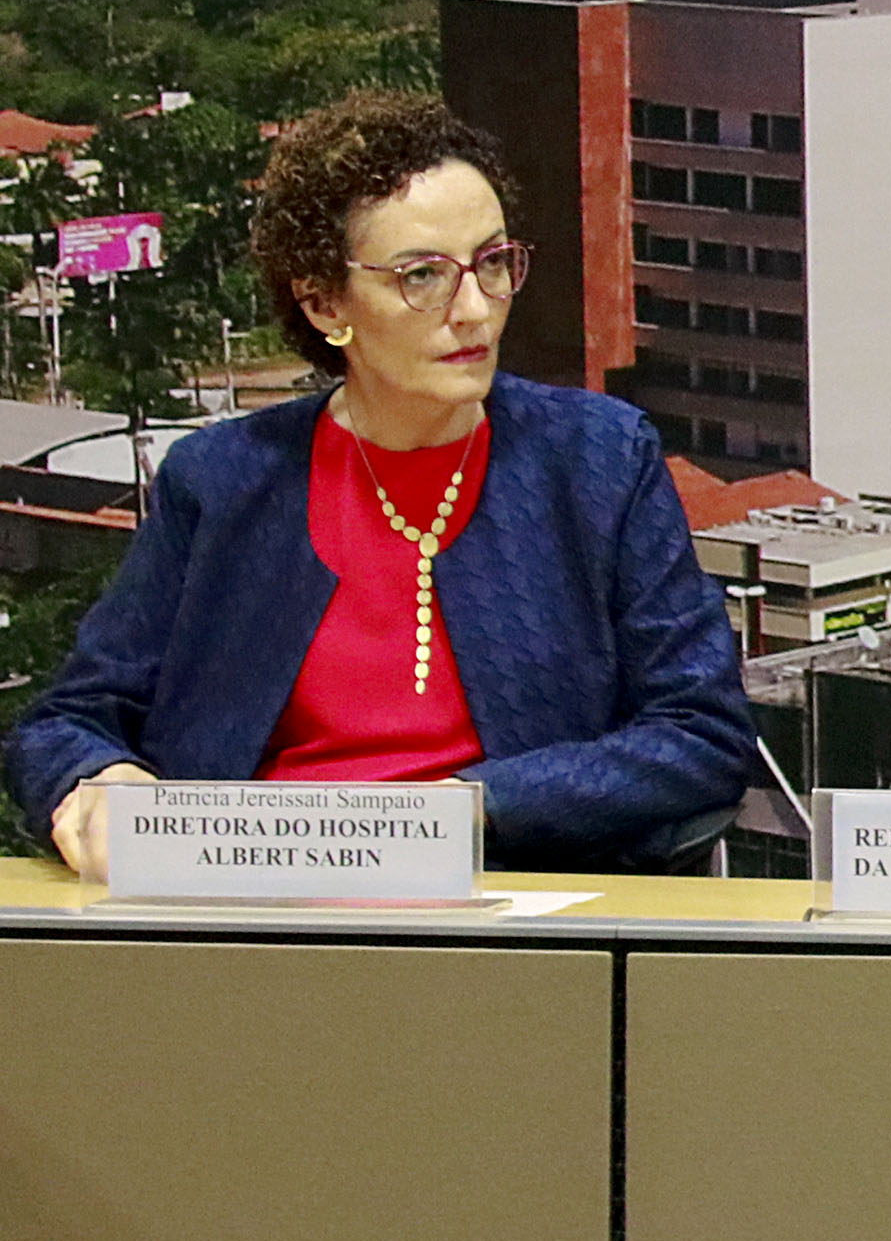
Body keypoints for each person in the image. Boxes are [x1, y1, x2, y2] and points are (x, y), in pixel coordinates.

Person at [8, 91, 752, 875]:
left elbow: (701, 734)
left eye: (492, 263)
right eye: (422, 276)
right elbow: (65, 723)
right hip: (251, 899)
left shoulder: (598, 459)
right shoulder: (222, 480)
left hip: (511, 899)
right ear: (324, 302)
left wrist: (469, 808)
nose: (474, 311)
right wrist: (101, 778)